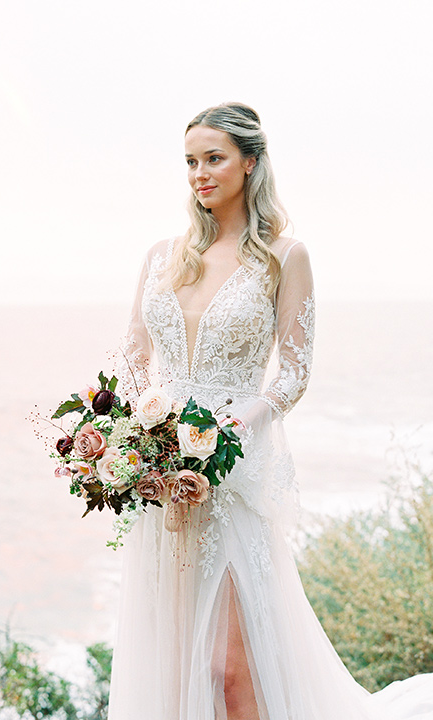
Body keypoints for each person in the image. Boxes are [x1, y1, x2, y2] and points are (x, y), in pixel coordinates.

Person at [108, 103, 433, 719]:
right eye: (190, 162)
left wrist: (231, 427)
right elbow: (133, 354)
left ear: (249, 162)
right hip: (162, 475)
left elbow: (294, 373)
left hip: (231, 475)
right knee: (173, 662)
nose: (199, 173)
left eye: (213, 158)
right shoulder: (161, 255)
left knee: (228, 667)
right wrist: (139, 429)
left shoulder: (284, 256)